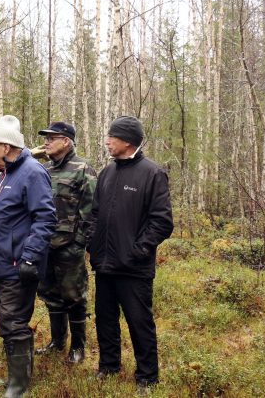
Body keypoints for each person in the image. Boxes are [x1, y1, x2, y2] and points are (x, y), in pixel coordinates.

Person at [88, 116, 173, 390]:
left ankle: (148, 377)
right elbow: (95, 213)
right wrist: (93, 243)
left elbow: (162, 221)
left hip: (134, 267)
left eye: (111, 137)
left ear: (127, 141)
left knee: (139, 322)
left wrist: (139, 250)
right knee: (105, 319)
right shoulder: (107, 172)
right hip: (104, 263)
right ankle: (109, 367)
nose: (107, 142)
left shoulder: (152, 173)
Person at [0, 115, 56, 397]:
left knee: (13, 322)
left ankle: (19, 386)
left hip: (19, 264)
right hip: (2, 263)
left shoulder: (32, 173)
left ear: (7, 147)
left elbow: (45, 218)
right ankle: (17, 377)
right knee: (8, 320)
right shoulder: (6, 172)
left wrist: (31, 258)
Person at [35, 122, 97, 364]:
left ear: (67, 141)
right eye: (46, 138)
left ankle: (78, 348)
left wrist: (80, 242)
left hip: (70, 246)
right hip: (45, 244)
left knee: (74, 296)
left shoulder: (83, 169)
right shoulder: (44, 169)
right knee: (50, 294)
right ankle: (57, 342)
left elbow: (92, 210)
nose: (47, 142)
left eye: (52, 138)